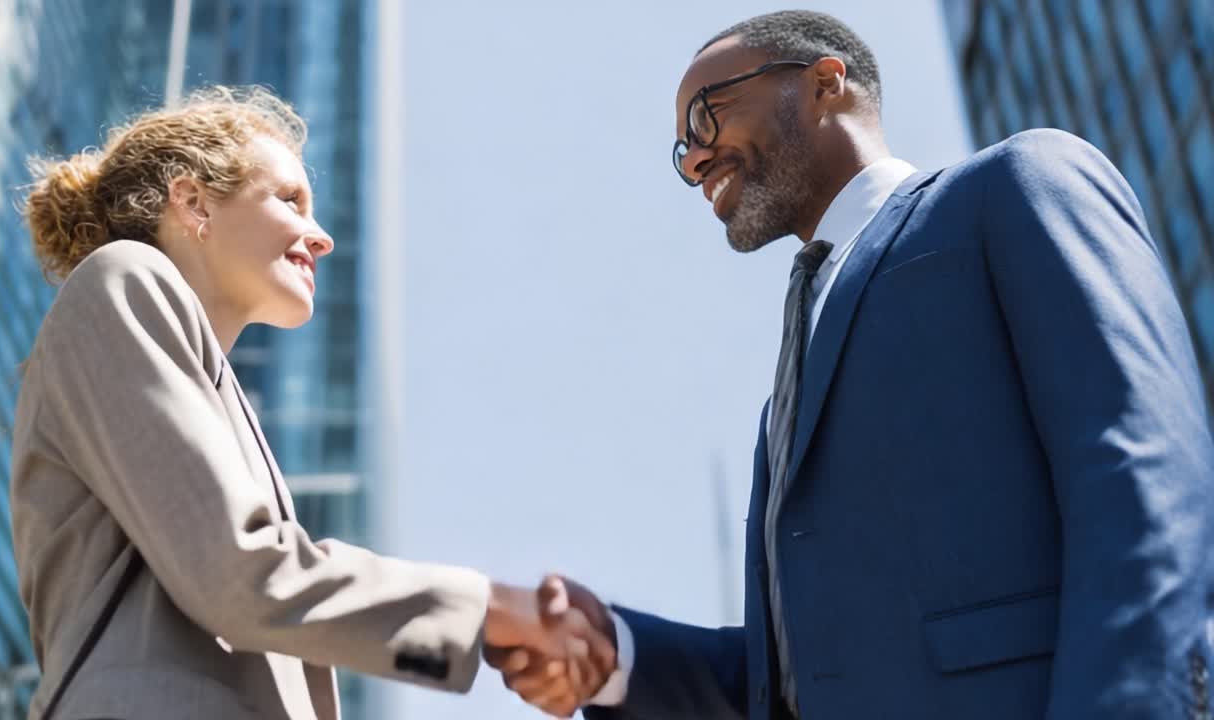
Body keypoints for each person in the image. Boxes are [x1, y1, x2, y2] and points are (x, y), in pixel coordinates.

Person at [487, 10, 1214, 720]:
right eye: (682, 151)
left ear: (825, 82)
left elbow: (1145, 482)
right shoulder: (782, 412)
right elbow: (800, 678)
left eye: (706, 118)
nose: (696, 160)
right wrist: (613, 654)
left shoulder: (1013, 188)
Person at [11, 86, 613, 720]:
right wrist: (486, 611)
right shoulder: (124, 278)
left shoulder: (217, 393)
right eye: (291, 200)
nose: (320, 238)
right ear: (192, 202)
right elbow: (240, 575)